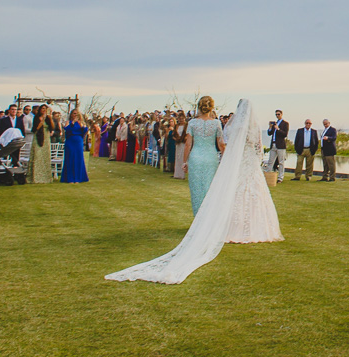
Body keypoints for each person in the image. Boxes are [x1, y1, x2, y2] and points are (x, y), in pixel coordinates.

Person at [106, 98, 282, 284]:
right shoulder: (222, 124)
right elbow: (241, 146)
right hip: (229, 162)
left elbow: (193, 143)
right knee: (227, 193)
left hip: (201, 158)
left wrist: (188, 160)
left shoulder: (198, 123)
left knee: (207, 191)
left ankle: (205, 223)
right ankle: (233, 225)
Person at [183, 96, 225, 215]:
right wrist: (225, 159)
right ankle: (208, 218)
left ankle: (198, 218)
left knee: (197, 189)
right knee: (210, 188)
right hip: (211, 158)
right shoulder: (217, 123)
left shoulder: (192, 123)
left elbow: (188, 144)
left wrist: (184, 161)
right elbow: (221, 145)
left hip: (195, 158)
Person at [28, 105, 55, 184]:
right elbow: (34, 129)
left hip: (46, 138)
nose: (44, 110)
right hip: (38, 137)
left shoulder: (48, 118)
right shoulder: (36, 117)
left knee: (45, 156)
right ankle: (36, 177)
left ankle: (46, 177)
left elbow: (52, 128)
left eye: (46, 109)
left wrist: (49, 118)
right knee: (37, 156)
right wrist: (41, 122)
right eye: (43, 108)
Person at [61, 110, 89, 183]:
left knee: (78, 159)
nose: (75, 115)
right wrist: (72, 123)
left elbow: (85, 131)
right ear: (71, 114)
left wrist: (81, 125)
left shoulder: (81, 123)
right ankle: (69, 178)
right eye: (74, 113)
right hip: (70, 141)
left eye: (77, 114)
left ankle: (78, 178)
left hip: (78, 141)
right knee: (70, 158)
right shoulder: (68, 122)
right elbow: (66, 129)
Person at [265, 109, 289, 183]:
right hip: (273, 144)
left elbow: (285, 134)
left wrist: (278, 129)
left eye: (278, 114)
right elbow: (269, 133)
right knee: (270, 161)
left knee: (281, 162)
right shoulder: (275, 123)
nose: (277, 115)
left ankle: (280, 177)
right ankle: (268, 175)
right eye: (276, 114)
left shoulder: (285, 123)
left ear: (281, 114)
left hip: (281, 145)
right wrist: (270, 127)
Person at [173, 113, 188, 179]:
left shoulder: (186, 125)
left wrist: (185, 138)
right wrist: (176, 138)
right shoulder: (176, 126)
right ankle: (177, 174)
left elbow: (188, 134)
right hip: (178, 143)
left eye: (182, 118)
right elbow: (174, 134)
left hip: (184, 143)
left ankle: (182, 174)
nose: (181, 120)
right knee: (177, 157)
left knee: (182, 158)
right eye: (180, 118)